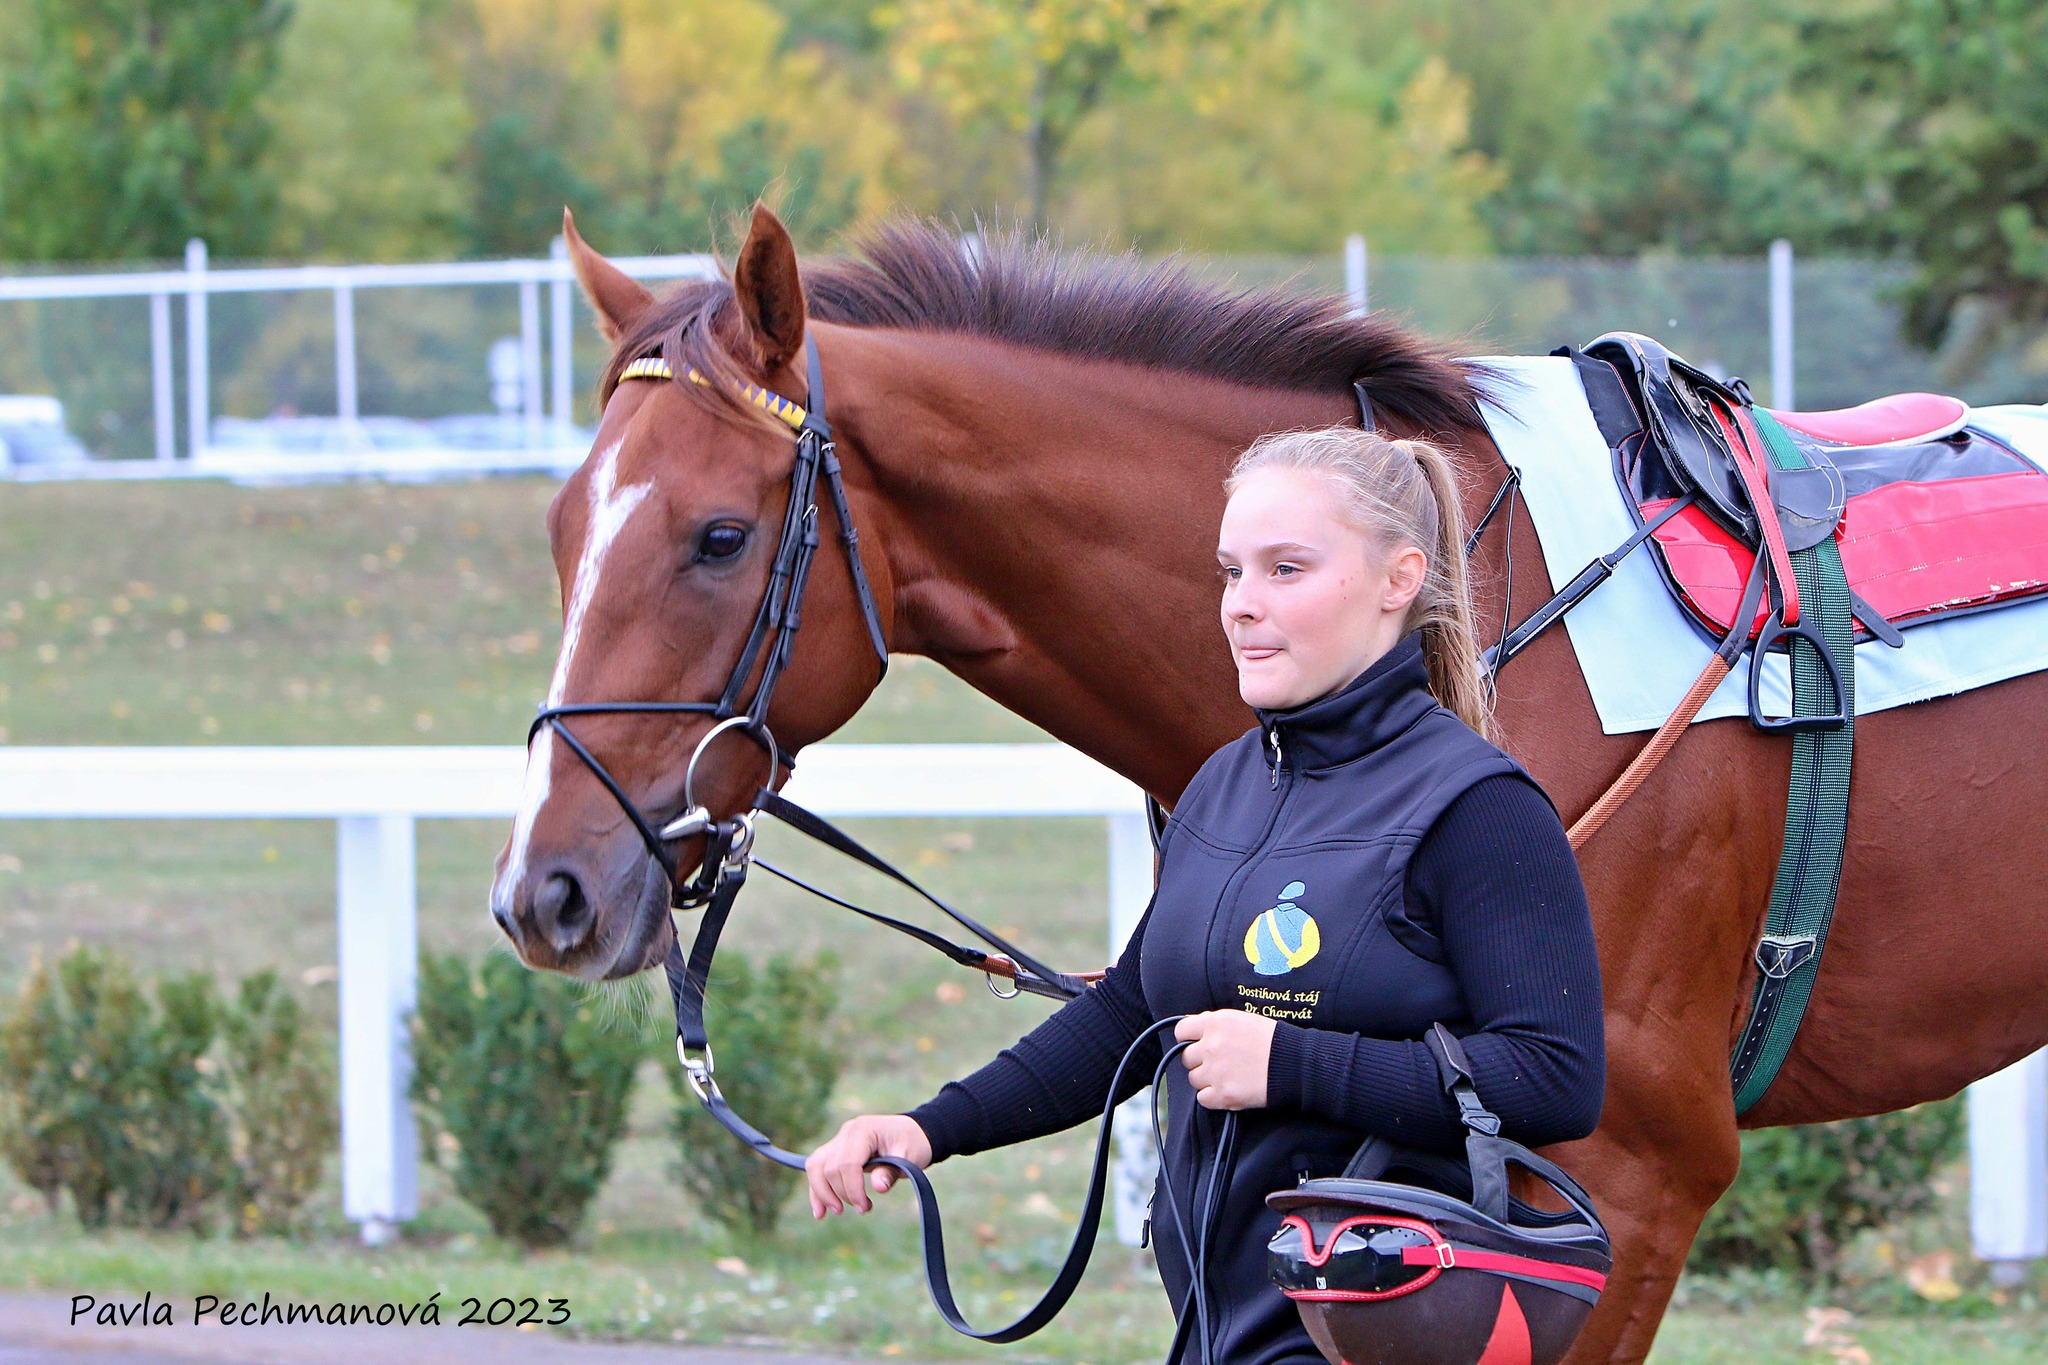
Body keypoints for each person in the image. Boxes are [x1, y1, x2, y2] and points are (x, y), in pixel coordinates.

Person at [804, 426, 1606, 1365]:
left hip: (1377, 1323)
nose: (1242, 607)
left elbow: (1556, 1079)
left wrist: (1293, 1061)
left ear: (1399, 581)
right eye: (1232, 572)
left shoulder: (1478, 810)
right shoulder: (1222, 783)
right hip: (1212, 1325)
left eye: (1287, 569)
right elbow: (1131, 1016)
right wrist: (928, 1128)